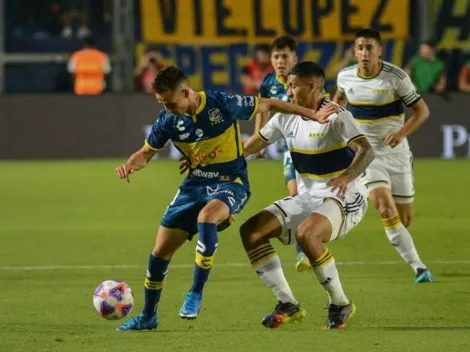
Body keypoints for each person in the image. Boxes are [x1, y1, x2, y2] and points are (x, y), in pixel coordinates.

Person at [114, 66, 333, 331]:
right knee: (159, 253)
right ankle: (149, 316)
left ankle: (195, 293)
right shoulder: (168, 120)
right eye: (162, 103)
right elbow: (145, 153)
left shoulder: (221, 103)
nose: (168, 108)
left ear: (186, 92)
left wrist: (312, 114)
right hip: (194, 185)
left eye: (170, 102)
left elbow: (269, 103)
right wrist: (130, 164)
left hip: (231, 182)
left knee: (207, 218)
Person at [241, 61, 375, 330]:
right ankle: (287, 303)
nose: (288, 93)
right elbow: (250, 146)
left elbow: (367, 151)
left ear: (311, 86)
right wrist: (212, 160)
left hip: (345, 196)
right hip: (308, 197)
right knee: (251, 232)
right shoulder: (285, 117)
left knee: (307, 234)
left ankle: (340, 304)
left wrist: (346, 176)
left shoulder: (337, 116)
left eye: (293, 86)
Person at [334, 29, 433, 283]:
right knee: (384, 208)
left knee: (404, 218)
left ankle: (409, 252)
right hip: (366, 154)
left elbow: (422, 111)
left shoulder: (396, 77)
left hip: (396, 152)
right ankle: (419, 267)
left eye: (370, 48)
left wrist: (401, 133)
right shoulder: (345, 77)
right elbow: (338, 104)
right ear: (354, 52)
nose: (365, 53)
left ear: (379, 50)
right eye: (360, 48)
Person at [254, 35, 312, 272]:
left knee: (309, 197)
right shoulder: (268, 83)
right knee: (296, 194)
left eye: (284, 56)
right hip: (291, 148)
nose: (280, 61)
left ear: (294, 58)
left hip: (311, 145)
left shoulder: (305, 79)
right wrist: (259, 139)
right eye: (276, 56)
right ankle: (303, 250)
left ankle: (312, 238)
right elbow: (262, 109)